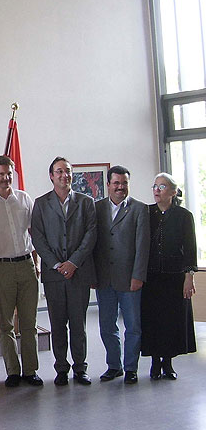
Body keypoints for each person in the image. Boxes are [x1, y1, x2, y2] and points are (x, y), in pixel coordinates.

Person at [0, 156, 43, 388]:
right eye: (1, 174)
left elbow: (35, 233)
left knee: (29, 322)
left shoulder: (24, 199)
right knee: (5, 324)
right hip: (1, 267)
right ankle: (13, 371)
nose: (6, 178)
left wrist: (36, 262)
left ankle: (30, 370)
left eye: (9, 174)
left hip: (26, 265)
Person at [31, 157, 97, 386]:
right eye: (59, 171)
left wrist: (73, 262)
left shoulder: (86, 202)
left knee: (79, 324)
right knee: (57, 324)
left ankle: (80, 368)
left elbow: (90, 236)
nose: (64, 175)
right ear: (51, 176)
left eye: (67, 171)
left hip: (79, 273)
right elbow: (37, 238)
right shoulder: (40, 204)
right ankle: (61, 369)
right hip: (54, 275)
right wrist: (57, 264)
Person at [93, 166, 149, 385]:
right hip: (104, 279)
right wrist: (92, 275)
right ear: (108, 185)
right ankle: (113, 366)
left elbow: (142, 246)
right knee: (107, 326)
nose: (120, 187)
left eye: (124, 183)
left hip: (129, 279)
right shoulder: (96, 209)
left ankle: (131, 368)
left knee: (133, 326)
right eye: (116, 183)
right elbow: (91, 244)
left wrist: (138, 276)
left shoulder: (139, 209)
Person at [141, 172, 197, 380]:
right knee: (153, 319)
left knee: (171, 320)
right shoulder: (146, 213)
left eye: (162, 187)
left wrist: (189, 277)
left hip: (174, 277)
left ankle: (168, 362)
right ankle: (155, 362)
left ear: (173, 192)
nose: (157, 190)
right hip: (151, 276)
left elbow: (190, 248)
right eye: (155, 186)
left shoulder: (184, 216)